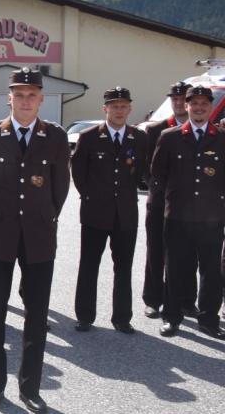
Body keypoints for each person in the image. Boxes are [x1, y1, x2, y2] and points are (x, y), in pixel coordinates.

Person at [0, 67, 69, 414]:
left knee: (36, 315)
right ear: (9, 99)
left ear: (41, 100)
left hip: (39, 236)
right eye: (19, 95)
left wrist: (43, 216)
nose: (25, 101)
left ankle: (30, 388)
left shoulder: (55, 136)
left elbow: (60, 187)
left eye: (32, 95)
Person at [70, 87, 149, 334]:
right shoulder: (89, 137)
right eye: (114, 106)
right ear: (105, 109)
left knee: (123, 267)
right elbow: (78, 171)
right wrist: (90, 196)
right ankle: (85, 316)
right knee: (89, 264)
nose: (119, 110)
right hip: (95, 212)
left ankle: (122, 318)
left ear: (130, 109)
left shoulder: (139, 138)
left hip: (125, 214)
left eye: (123, 106)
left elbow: (141, 171)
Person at [150, 84, 225, 339]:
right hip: (178, 217)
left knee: (211, 271)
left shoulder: (221, 137)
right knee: (175, 269)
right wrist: (171, 201)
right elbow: (158, 174)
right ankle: (171, 318)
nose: (199, 108)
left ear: (211, 107)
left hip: (212, 218)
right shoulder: (170, 137)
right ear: (187, 106)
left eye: (204, 103)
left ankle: (209, 319)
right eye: (194, 103)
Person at [142, 81, 194, 319]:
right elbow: (146, 167)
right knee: (156, 251)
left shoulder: (201, 129)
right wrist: (159, 189)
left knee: (189, 254)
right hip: (161, 201)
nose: (179, 103)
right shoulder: (156, 130)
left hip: (190, 205)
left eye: (183, 98)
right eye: (175, 99)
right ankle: (153, 299)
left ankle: (186, 300)